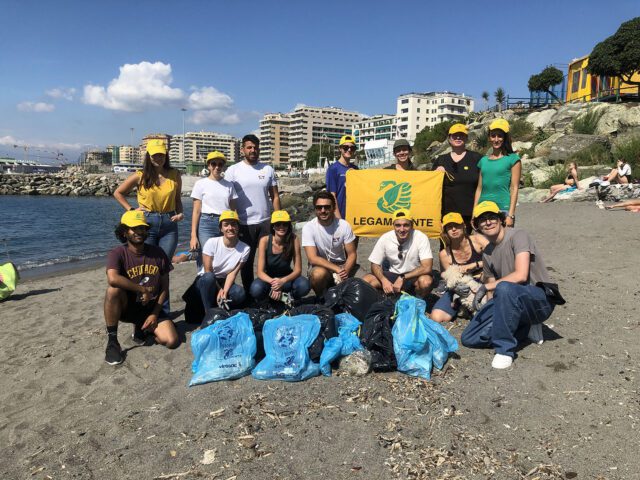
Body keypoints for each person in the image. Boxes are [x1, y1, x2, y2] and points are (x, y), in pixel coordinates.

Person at [461, 201, 557, 369]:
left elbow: (521, 275)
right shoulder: (487, 252)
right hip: (510, 301)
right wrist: (486, 310)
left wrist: (484, 288)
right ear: (476, 226)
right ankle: (524, 328)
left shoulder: (518, 235)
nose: (488, 222)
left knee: (504, 287)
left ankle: (504, 349)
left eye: (492, 217)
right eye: (482, 220)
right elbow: (491, 288)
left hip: (538, 300)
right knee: (469, 338)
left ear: (501, 219)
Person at [104, 210, 178, 366]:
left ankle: (143, 329)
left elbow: (165, 287)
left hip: (151, 308)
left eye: (143, 228)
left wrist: (155, 314)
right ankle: (112, 341)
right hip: (128, 307)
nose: (140, 232)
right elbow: (113, 278)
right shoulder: (117, 253)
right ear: (124, 232)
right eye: (135, 228)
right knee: (113, 290)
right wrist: (142, 289)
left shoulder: (158, 253)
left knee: (171, 341)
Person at [224, 134, 280, 292]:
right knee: (246, 262)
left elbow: (275, 196)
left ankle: (271, 291)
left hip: (265, 223)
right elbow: (226, 197)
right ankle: (250, 294)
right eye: (249, 147)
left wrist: (279, 219)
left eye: (255, 147)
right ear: (242, 150)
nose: (253, 150)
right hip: (243, 224)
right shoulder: (233, 170)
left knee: (270, 260)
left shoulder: (267, 169)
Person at [114, 139, 184, 259]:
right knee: (147, 261)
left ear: (166, 156)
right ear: (149, 156)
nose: (158, 158)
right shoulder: (140, 175)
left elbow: (177, 199)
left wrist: (180, 213)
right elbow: (118, 193)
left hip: (169, 223)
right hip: (146, 223)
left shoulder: (175, 174)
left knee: (164, 263)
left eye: (161, 155)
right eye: (155, 155)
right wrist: (131, 210)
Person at [430, 212, 488, 323]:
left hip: (483, 280)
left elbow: (497, 260)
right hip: (460, 287)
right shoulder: (444, 254)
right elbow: (448, 277)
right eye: (449, 227)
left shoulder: (478, 240)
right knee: (436, 317)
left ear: (464, 226)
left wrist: (475, 265)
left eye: (456, 225)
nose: (454, 229)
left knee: (485, 312)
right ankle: (460, 305)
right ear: (446, 231)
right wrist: (456, 288)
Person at [363, 209, 433, 297]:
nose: (402, 229)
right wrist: (383, 280)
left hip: (413, 276)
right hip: (393, 274)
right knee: (366, 281)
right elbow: (374, 264)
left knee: (426, 282)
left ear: (412, 225)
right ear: (393, 226)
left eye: (406, 225)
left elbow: (427, 267)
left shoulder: (421, 237)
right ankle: (380, 300)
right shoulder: (386, 238)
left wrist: (403, 277)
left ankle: (417, 301)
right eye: (398, 225)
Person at [302, 190, 358, 297]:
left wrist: (344, 271)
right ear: (315, 209)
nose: (323, 210)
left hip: (343, 264)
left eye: (327, 207)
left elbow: (352, 254)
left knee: (366, 281)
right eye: (319, 207)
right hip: (322, 265)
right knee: (317, 275)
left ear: (333, 208)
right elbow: (312, 258)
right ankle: (322, 299)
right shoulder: (308, 228)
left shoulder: (344, 225)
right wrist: (337, 269)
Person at [249, 210, 311, 303]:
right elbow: (260, 272)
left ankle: (290, 298)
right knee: (256, 289)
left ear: (288, 225)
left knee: (304, 285)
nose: (281, 227)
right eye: (278, 224)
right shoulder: (265, 240)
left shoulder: (293, 239)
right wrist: (275, 283)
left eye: (284, 224)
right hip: (268, 279)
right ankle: (270, 298)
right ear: (273, 226)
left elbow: (298, 270)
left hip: (286, 278)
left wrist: (282, 281)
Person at [189, 151, 238, 267]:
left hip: (226, 223)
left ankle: (223, 283)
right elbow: (196, 211)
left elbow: (233, 210)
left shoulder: (229, 185)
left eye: (220, 164)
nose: (217, 167)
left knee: (224, 255)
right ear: (209, 166)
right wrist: (193, 236)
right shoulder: (200, 184)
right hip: (206, 223)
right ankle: (204, 281)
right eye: (213, 164)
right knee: (206, 256)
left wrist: (237, 228)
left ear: (223, 166)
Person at [195, 210, 248, 313]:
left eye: (233, 224)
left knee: (239, 293)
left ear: (238, 227)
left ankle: (220, 305)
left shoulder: (245, 248)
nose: (230, 228)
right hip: (206, 280)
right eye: (226, 225)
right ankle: (209, 313)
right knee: (209, 277)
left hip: (224, 280)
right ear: (221, 228)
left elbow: (232, 273)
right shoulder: (212, 242)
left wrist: (225, 291)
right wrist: (219, 289)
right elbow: (208, 271)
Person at [432, 124, 482, 232]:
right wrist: (436, 175)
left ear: (466, 138)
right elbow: (431, 188)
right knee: (446, 247)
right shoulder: (441, 160)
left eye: (461, 135)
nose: (458, 138)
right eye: (455, 135)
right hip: (446, 215)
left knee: (467, 246)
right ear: (449, 139)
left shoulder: (476, 158)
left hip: (469, 214)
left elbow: (483, 186)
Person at [474, 119, 521, 227]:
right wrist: (474, 212)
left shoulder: (513, 159)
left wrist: (511, 215)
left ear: (505, 138)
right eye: (493, 135)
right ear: (489, 138)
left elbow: (514, 188)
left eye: (500, 136)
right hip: (482, 209)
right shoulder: (483, 161)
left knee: (504, 243)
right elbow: (479, 188)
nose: (496, 139)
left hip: (502, 208)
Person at [326, 135, 359, 219]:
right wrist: (339, 219)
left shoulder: (356, 169)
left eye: (352, 148)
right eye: (345, 147)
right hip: (339, 216)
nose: (349, 150)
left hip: (354, 216)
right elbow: (332, 196)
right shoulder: (333, 169)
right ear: (340, 149)